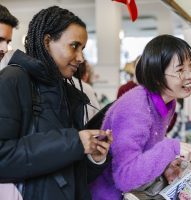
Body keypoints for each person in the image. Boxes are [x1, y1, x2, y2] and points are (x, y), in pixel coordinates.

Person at [0, 6, 112, 200]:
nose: (80, 58)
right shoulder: (13, 79)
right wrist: (74, 142)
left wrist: (95, 159)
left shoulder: (69, 94)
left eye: (83, 49)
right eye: (74, 46)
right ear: (47, 42)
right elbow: (3, 158)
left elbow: (72, 175)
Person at [90, 34, 191, 200]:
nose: (190, 75)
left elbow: (147, 149)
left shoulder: (168, 102)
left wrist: (165, 165)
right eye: (180, 70)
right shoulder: (135, 107)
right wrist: (171, 148)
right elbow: (125, 177)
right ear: (157, 77)